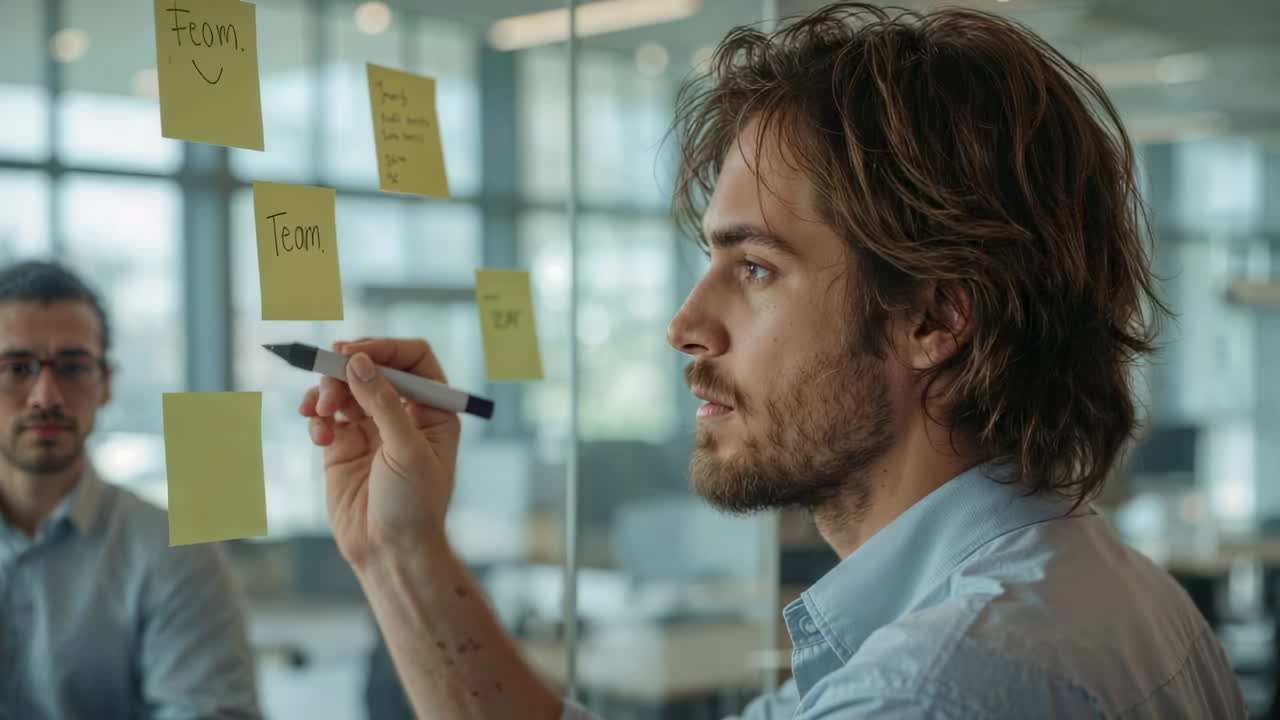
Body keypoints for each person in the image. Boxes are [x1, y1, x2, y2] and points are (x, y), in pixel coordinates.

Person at [299, 3, 1246, 718]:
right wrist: (398, 550)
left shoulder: (927, 687)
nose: (685, 325)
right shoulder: (1105, 587)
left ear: (933, 318)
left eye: (754, 268)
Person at [0, 261, 260, 719]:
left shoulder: (177, 553)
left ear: (106, 385)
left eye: (73, 367)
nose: (45, 396)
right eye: (16, 368)